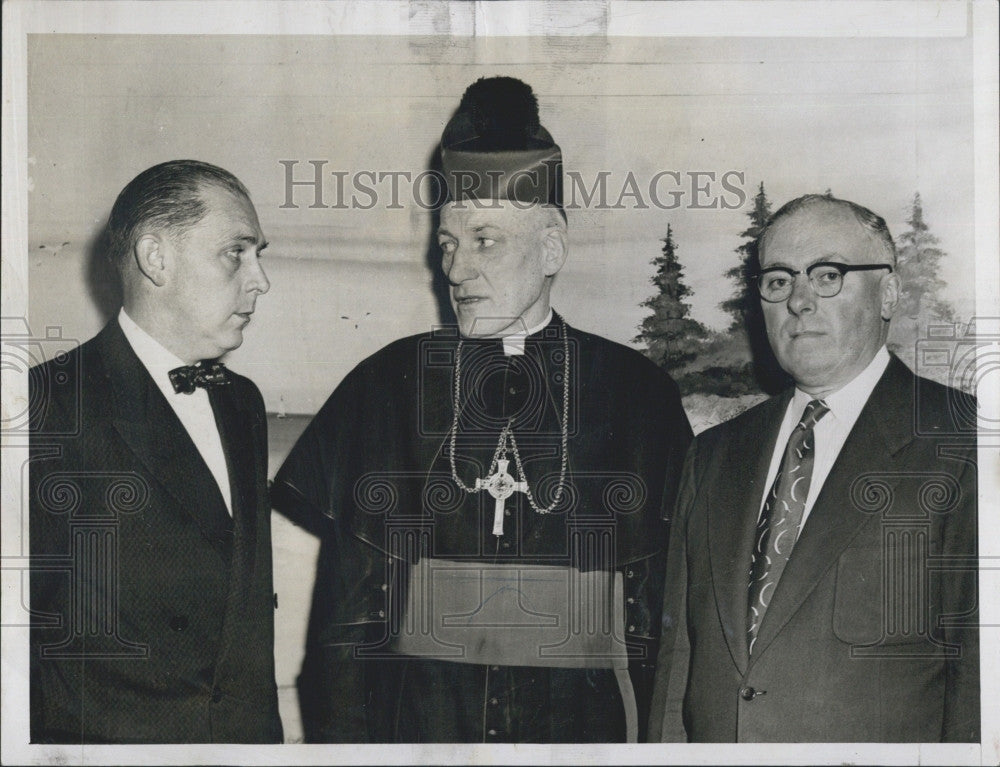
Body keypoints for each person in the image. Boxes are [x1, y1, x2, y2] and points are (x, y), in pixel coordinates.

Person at [272, 77, 692, 743]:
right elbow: (342, 630)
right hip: (416, 727)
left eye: (486, 240)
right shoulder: (384, 385)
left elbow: (658, 623)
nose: (457, 269)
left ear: (551, 246)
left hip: (576, 731)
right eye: (447, 244)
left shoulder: (637, 394)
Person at [648, 194, 979, 742]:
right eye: (778, 281)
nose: (799, 300)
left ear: (888, 292)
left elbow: (980, 689)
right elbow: (679, 660)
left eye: (828, 275)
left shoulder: (964, 443)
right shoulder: (712, 455)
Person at [29, 160, 283, 743]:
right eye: (236, 253)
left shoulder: (241, 402)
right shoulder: (41, 407)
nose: (260, 280)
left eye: (259, 254)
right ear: (156, 257)